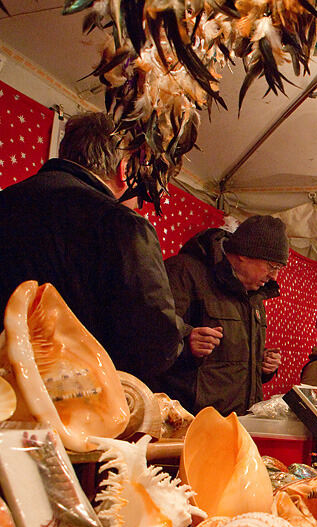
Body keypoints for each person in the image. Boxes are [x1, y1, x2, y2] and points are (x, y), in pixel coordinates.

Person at [0, 112, 183, 383]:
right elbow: (154, 345)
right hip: (76, 404)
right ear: (124, 167)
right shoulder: (120, 224)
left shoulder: (6, 202)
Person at [158, 215, 288, 415]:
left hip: (239, 419)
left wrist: (262, 366)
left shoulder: (254, 294)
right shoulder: (185, 271)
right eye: (272, 267)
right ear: (245, 254)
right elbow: (149, 334)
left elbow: (230, 357)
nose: (274, 277)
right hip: (190, 420)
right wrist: (185, 342)